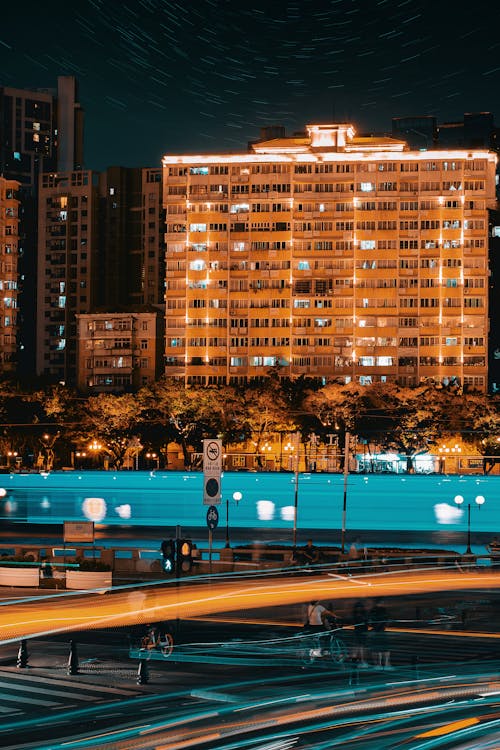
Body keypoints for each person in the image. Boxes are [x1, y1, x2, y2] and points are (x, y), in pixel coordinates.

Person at [369, 598, 393, 670]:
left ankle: (378, 665)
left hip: (375, 632)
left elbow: (370, 622)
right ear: (382, 602)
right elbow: (387, 620)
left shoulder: (372, 610)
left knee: (377, 649)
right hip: (382, 631)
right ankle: (386, 664)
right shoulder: (383, 610)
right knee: (385, 649)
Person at [351, 600, 369, 667]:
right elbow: (366, 623)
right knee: (361, 647)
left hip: (358, 632)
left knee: (358, 647)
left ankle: (359, 661)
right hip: (361, 632)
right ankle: (362, 661)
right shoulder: (363, 615)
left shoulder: (355, 614)